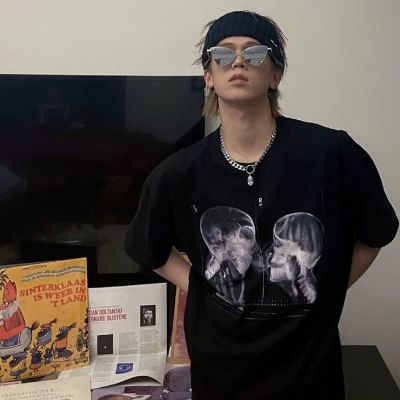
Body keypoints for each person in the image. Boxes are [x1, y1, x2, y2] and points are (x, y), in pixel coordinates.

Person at [125, 10, 398, 400]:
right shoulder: (179, 172)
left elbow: (376, 232)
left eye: (254, 53)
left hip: (309, 373)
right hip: (222, 374)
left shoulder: (331, 153)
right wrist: (203, 288)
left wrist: (325, 289)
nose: (238, 61)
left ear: (275, 75)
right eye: (223, 54)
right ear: (208, 76)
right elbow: (146, 247)